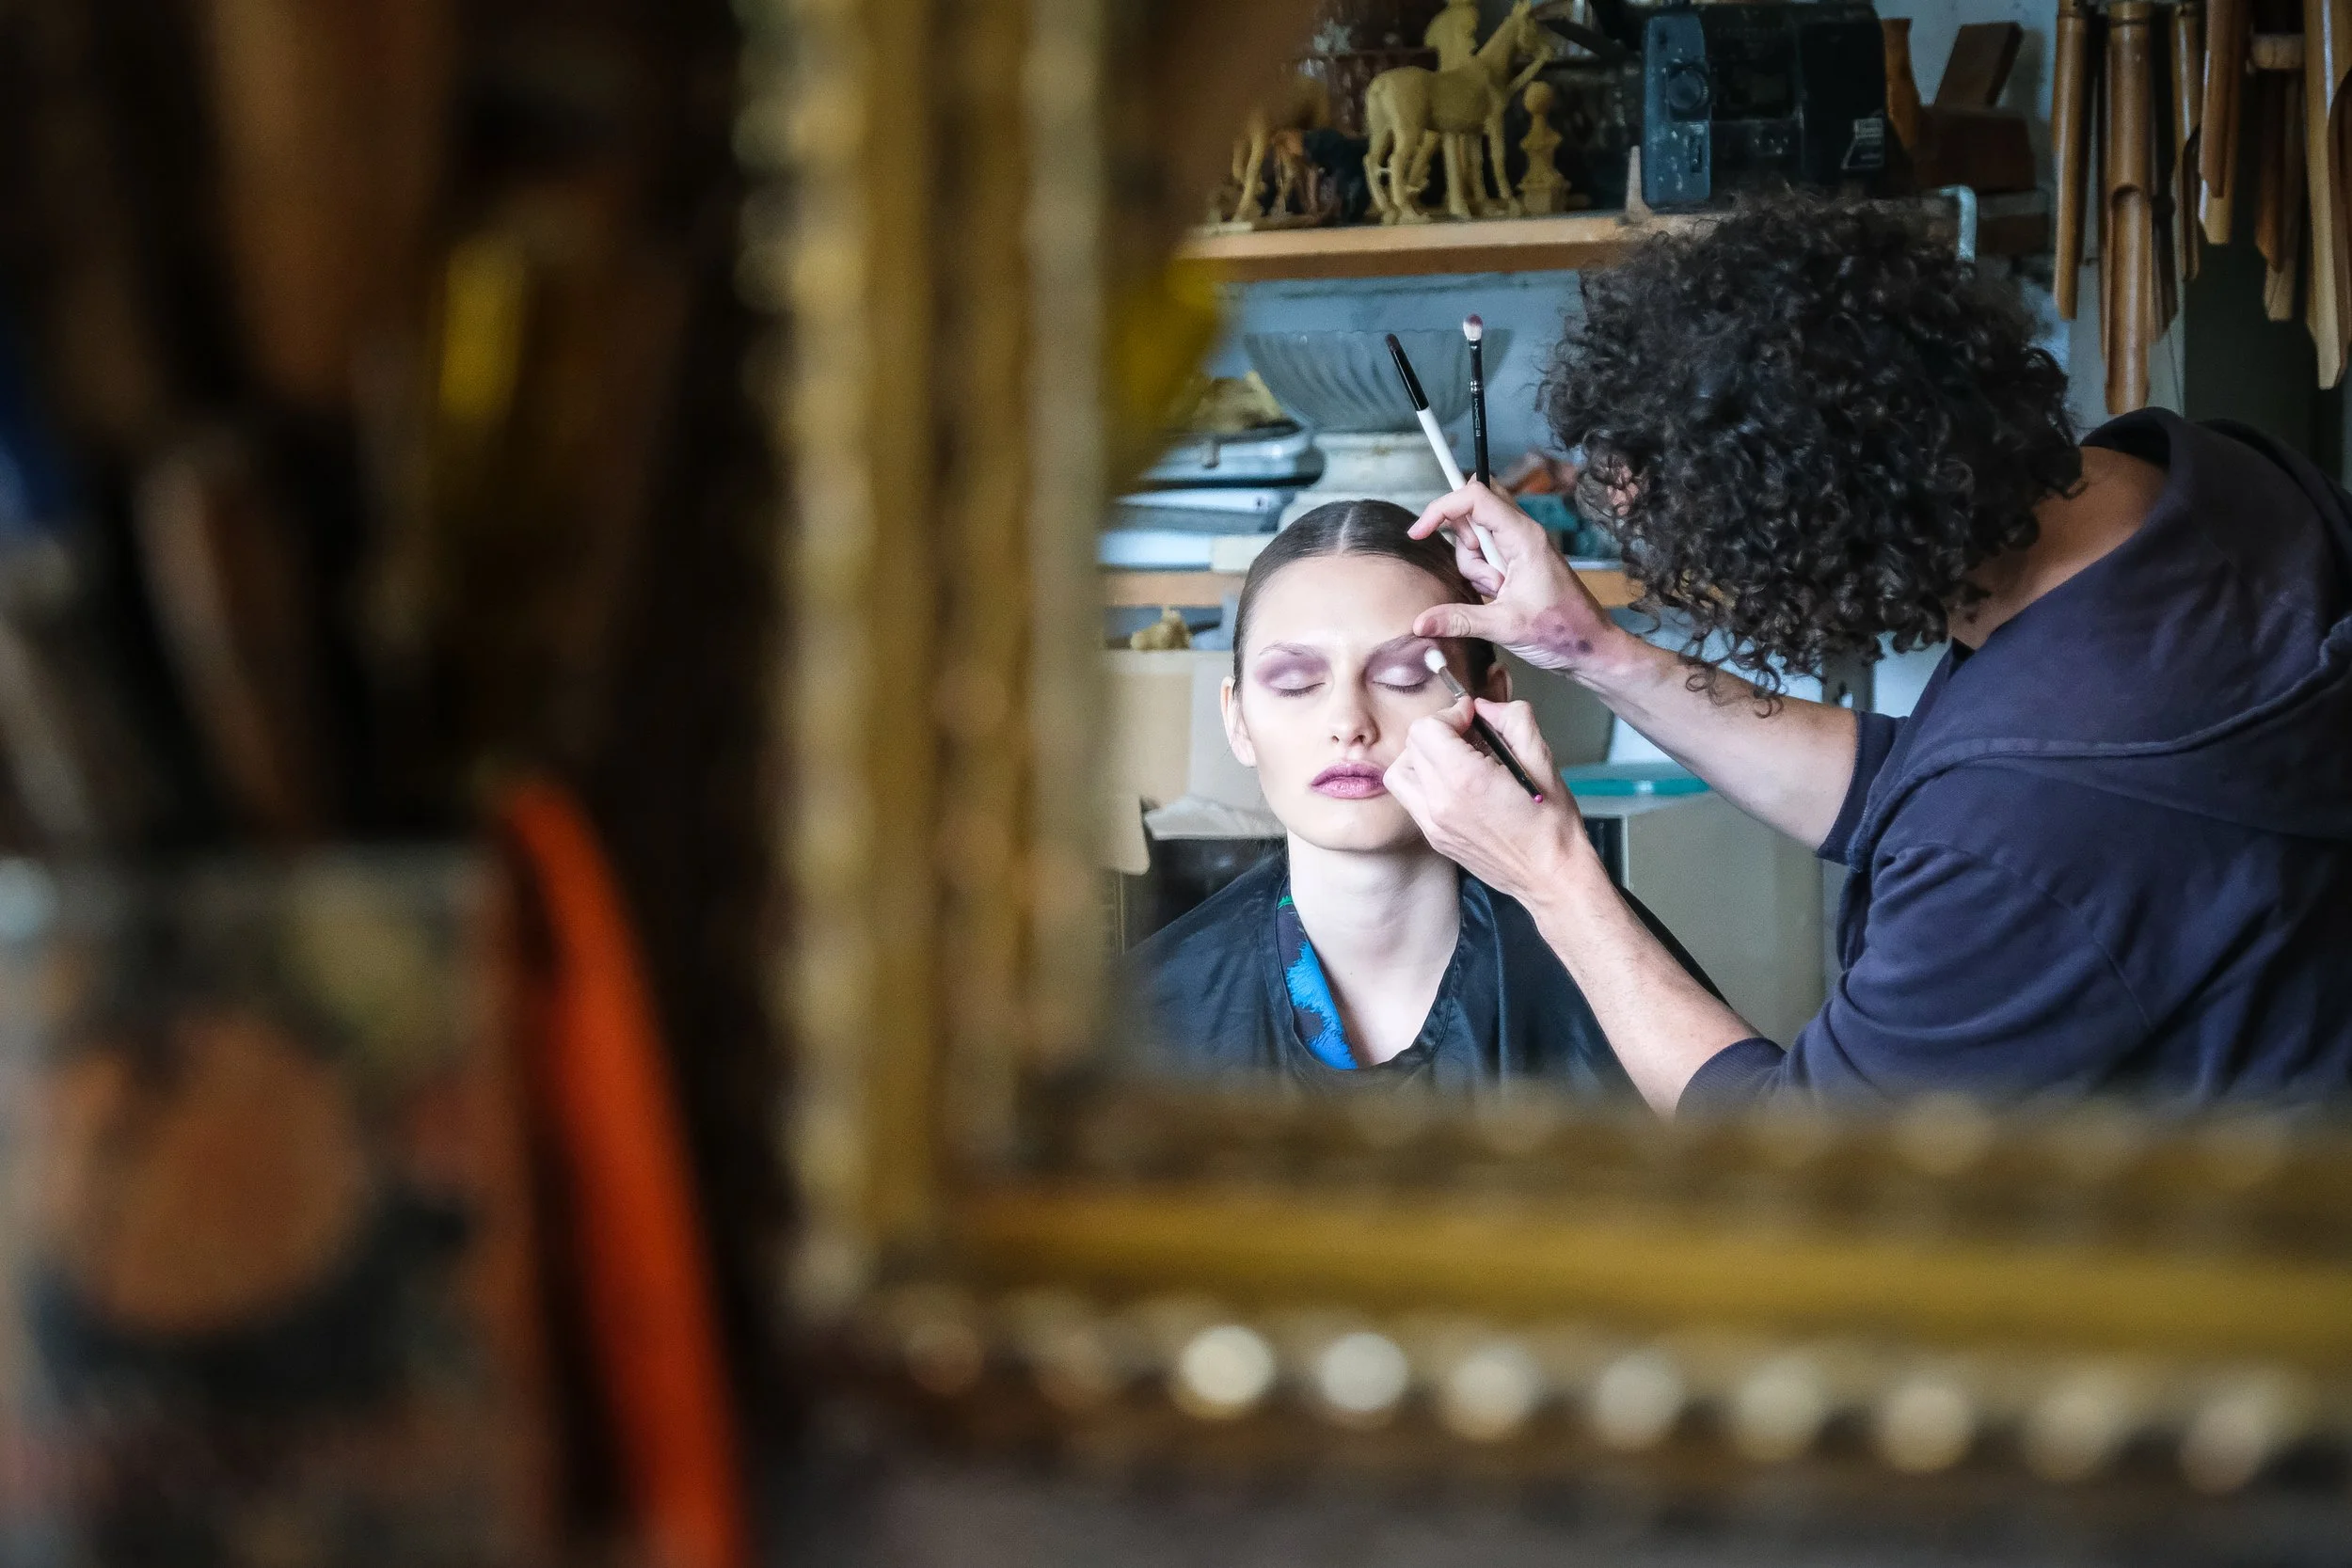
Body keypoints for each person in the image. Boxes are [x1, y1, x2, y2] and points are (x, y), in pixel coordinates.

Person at [1381, 194, 2352, 1117]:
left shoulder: (2035, 819)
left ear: (1804, 543)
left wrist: (1551, 873)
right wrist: (1594, 651)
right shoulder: (2184, 482)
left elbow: (1807, 1163)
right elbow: (1928, 786)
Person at [1124, 499, 1704, 1096]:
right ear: (1237, 721)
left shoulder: (1621, 982)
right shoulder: (1136, 1023)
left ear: (1488, 708)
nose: (1349, 722)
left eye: (1403, 678)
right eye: (1296, 684)